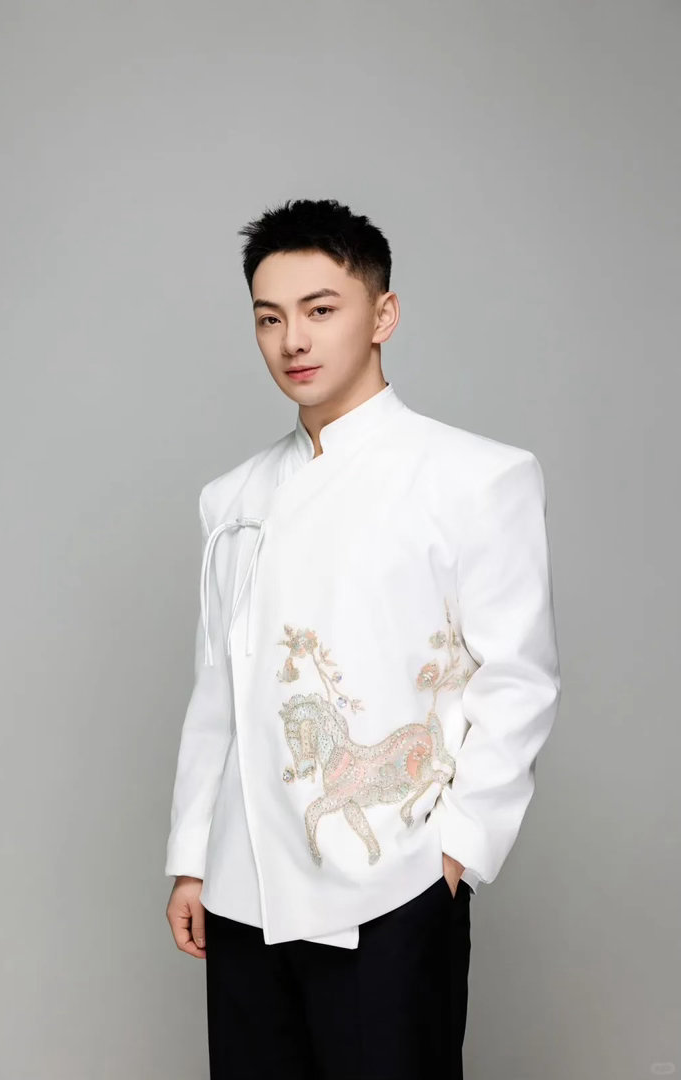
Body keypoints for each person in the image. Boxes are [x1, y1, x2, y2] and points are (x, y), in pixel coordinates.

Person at [164, 197, 561, 1079]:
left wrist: (456, 854)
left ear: (383, 314)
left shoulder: (475, 477)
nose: (293, 341)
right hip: (242, 887)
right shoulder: (232, 498)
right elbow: (218, 691)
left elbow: (519, 680)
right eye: (269, 318)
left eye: (320, 309)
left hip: (393, 886)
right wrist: (192, 859)